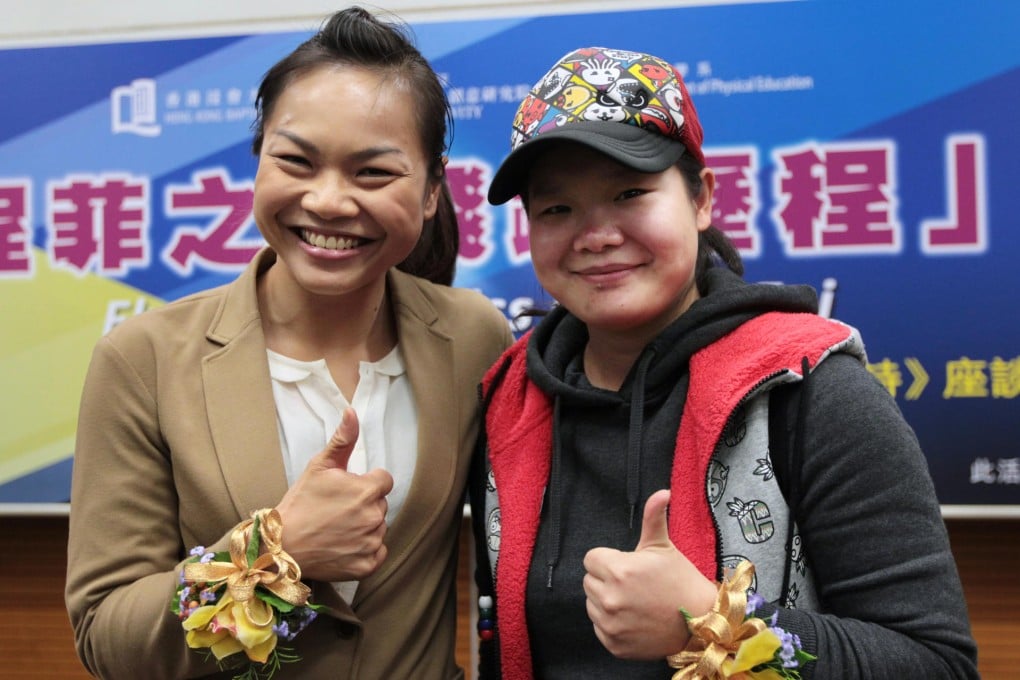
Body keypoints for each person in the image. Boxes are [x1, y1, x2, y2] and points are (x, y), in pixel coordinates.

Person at [469, 46, 979, 679]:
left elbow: (937, 664)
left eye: (630, 192)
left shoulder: (811, 390)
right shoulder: (510, 399)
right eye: (556, 209)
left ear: (702, 199)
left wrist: (716, 624)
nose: (595, 235)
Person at [65, 7, 512, 679]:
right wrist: (274, 557)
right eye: (296, 161)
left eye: (373, 173)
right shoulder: (145, 358)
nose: (329, 200)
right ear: (259, 162)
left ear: (430, 192)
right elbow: (109, 640)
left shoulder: (473, 337)